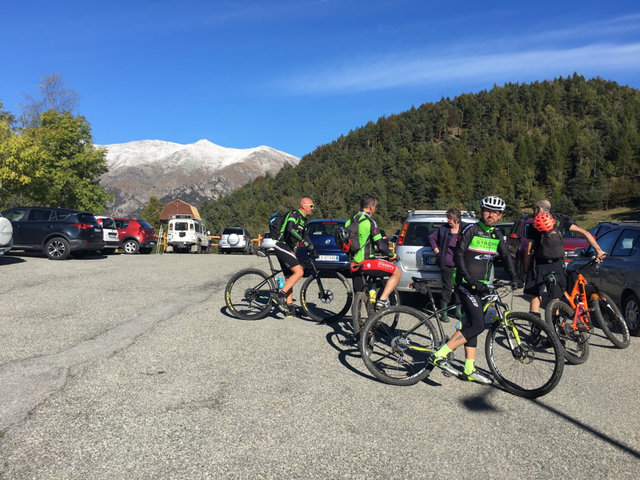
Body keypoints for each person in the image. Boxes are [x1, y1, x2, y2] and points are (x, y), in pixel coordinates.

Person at [430, 195, 521, 384]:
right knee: (478, 325)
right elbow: (458, 256)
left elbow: (506, 257)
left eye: (495, 212)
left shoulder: (496, 234)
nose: (491, 215)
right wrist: (470, 280)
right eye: (488, 211)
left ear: (500, 215)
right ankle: (440, 355)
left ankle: (469, 369)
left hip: (481, 286)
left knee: (470, 325)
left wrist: (514, 277)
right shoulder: (471, 230)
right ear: (481, 211)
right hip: (465, 283)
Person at [523, 199, 606, 318]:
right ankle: (554, 329)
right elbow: (585, 233)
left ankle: (535, 332)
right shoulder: (560, 221)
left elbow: (528, 251)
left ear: (540, 209)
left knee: (535, 296)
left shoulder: (534, 224)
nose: (533, 211)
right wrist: (598, 250)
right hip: (557, 265)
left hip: (539, 266)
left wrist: (526, 271)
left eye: (534, 209)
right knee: (555, 299)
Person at [348, 193, 401, 310]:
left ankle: (359, 324)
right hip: (367, 263)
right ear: (371, 206)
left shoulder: (349, 221)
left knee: (358, 295)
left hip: (353, 264)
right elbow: (381, 246)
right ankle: (382, 301)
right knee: (397, 272)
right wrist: (392, 255)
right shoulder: (370, 222)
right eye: (375, 205)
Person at [274, 197, 318, 317]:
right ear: (303, 206)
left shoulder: (303, 221)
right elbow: (290, 228)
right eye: (311, 206)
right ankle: (280, 295)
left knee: (290, 278)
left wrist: (312, 249)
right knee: (299, 272)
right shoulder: (295, 214)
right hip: (282, 245)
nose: (312, 208)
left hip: (287, 247)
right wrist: (303, 240)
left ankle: (290, 309)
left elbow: (306, 236)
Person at [428, 207, 463, 323]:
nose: (448, 220)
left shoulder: (464, 229)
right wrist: (438, 252)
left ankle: (458, 311)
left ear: (456, 219)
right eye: (448, 218)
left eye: (450, 218)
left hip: (461, 264)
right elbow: (431, 238)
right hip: (447, 263)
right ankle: (444, 312)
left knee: (459, 287)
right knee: (447, 287)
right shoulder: (443, 229)